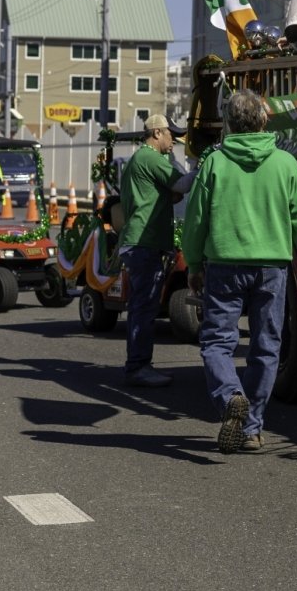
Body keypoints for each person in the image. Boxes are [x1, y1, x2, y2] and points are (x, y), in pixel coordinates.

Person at [182, 89, 297, 454]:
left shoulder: (214, 162)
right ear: (263, 120)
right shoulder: (285, 164)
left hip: (224, 265)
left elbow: (196, 219)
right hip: (272, 267)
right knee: (266, 346)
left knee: (216, 342)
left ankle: (230, 397)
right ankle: (252, 427)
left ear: (229, 123)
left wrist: (194, 263)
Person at [118, 113, 193, 388]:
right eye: (171, 133)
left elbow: (172, 193)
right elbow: (182, 185)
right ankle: (138, 367)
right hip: (144, 242)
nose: (175, 138)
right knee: (144, 307)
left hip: (140, 242)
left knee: (142, 307)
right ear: (157, 133)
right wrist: (203, 165)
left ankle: (139, 364)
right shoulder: (150, 158)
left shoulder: (143, 159)